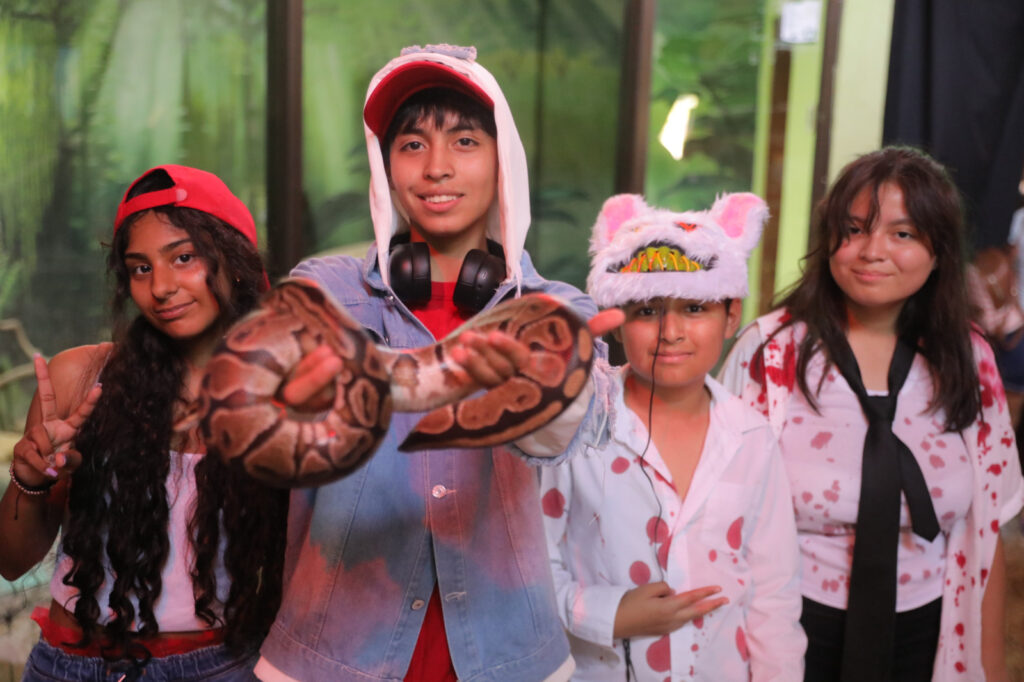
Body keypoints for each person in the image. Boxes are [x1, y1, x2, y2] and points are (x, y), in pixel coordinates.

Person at [253, 44, 614, 682]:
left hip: (506, 655)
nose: (436, 168)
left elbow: (558, 440)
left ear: (504, 159)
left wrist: (553, 389)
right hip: (334, 653)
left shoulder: (553, 309)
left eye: (466, 142)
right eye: (412, 144)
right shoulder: (323, 291)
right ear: (385, 165)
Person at [718, 147, 1024, 682]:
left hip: (930, 631)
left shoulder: (970, 358)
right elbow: (719, 516)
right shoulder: (770, 352)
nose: (871, 251)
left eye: (902, 234)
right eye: (854, 229)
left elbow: (986, 532)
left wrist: (990, 669)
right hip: (787, 630)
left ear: (939, 250)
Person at [1, 165, 290, 680]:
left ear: (235, 261)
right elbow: (10, 562)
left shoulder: (283, 394)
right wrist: (30, 480)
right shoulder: (81, 379)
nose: (161, 287)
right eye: (139, 268)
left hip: (216, 667)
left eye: (183, 258)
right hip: (69, 667)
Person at [539, 192, 805, 680]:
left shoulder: (752, 438)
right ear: (615, 320)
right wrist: (609, 612)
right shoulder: (572, 429)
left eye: (695, 308)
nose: (671, 332)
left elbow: (774, 597)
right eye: (646, 311)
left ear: (731, 315)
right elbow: (525, 570)